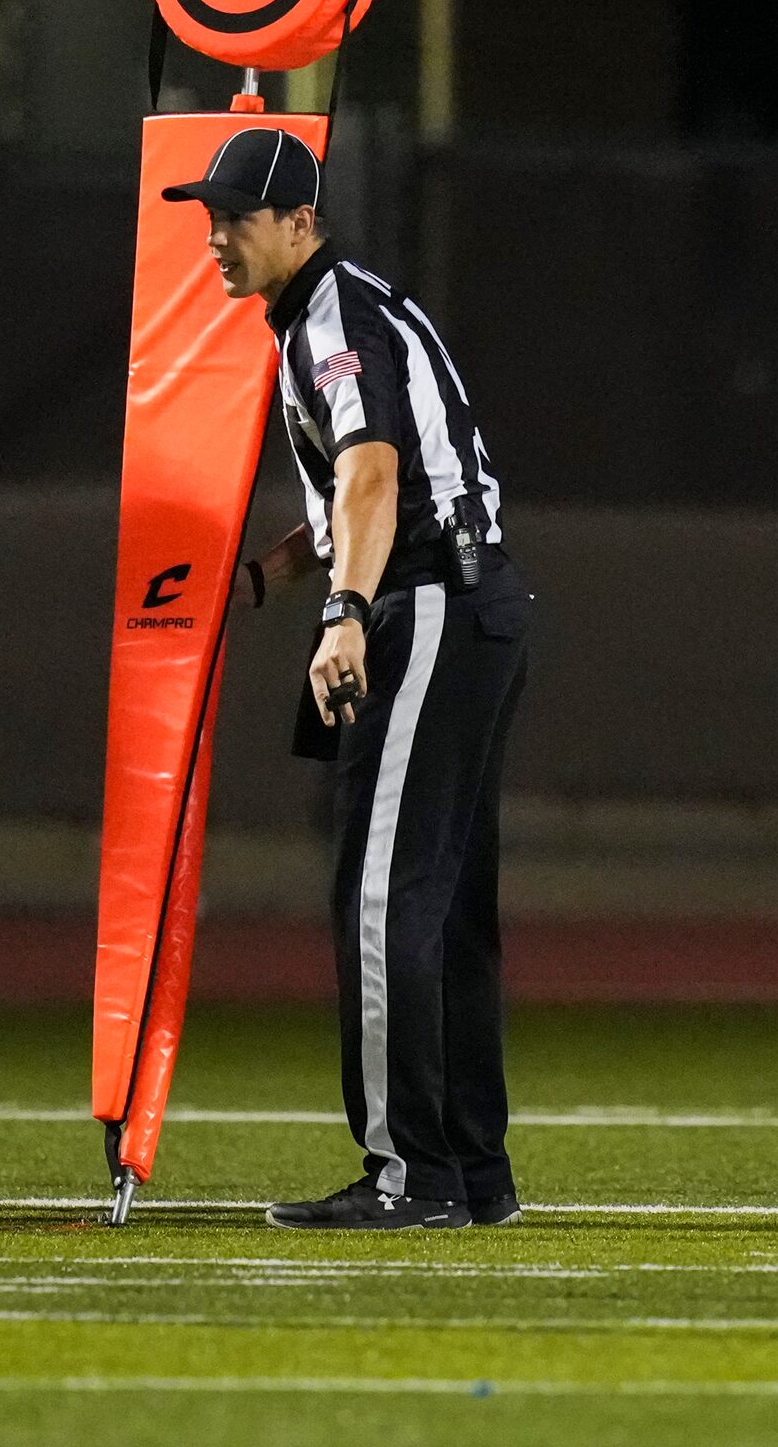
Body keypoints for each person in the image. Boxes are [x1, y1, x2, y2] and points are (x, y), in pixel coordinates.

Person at [178, 128, 532, 1232]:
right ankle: (470, 1171)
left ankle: (407, 1175)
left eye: (235, 220)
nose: (216, 241)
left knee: (380, 897)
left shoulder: (330, 317)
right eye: (210, 220)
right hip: (471, 605)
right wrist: (282, 569)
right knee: (445, 904)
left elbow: (375, 472)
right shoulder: (356, 303)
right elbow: (372, 478)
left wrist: (342, 613)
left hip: (424, 601)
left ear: (299, 222)